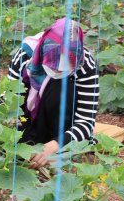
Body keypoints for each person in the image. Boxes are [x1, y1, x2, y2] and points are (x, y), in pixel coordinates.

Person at [8, 18, 99, 169]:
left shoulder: (85, 64)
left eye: (65, 68)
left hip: (61, 129)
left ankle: (57, 151)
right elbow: (6, 105)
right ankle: (31, 147)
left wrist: (55, 145)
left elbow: (86, 122)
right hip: (26, 123)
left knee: (62, 87)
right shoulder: (25, 55)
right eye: (54, 66)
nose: (58, 70)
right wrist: (19, 142)